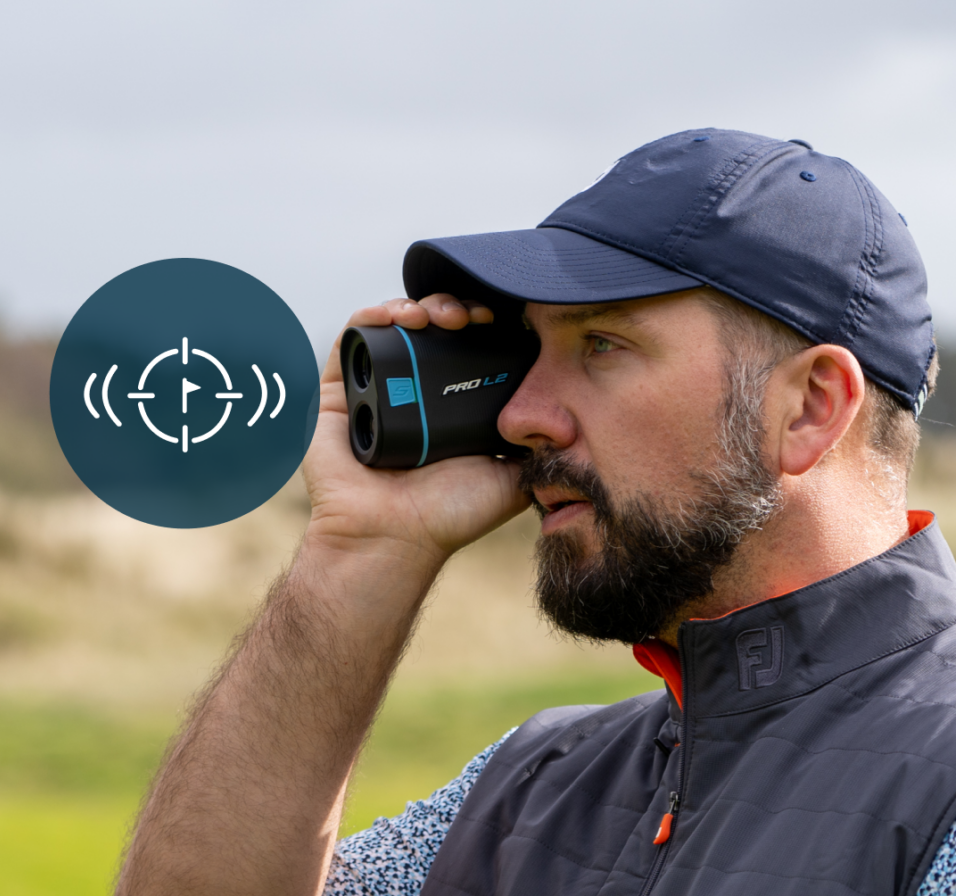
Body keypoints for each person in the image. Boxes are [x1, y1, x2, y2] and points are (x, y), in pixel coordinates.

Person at [115, 129, 956, 896]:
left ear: (810, 407)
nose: (520, 416)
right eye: (530, 351)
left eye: (601, 345)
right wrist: (358, 553)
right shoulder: (527, 790)